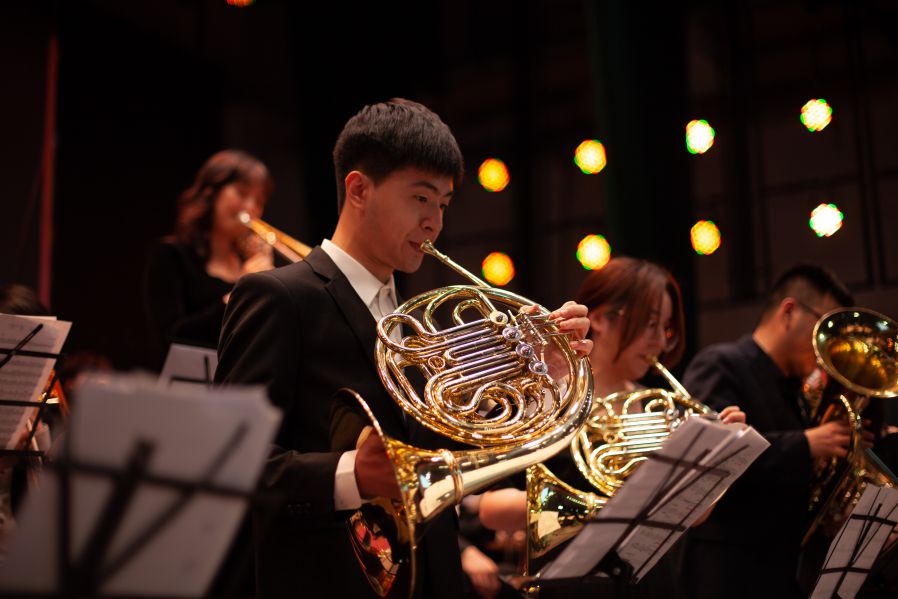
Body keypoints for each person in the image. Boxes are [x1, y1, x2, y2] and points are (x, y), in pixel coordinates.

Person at [214, 99, 592, 599]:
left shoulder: (412, 322)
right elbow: (228, 463)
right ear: (359, 189)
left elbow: (446, 453)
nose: (435, 222)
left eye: (444, 204)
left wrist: (537, 373)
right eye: (420, 198)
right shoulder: (279, 296)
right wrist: (351, 474)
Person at [478, 257, 744, 597]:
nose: (659, 342)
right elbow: (489, 509)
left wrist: (717, 455)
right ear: (602, 318)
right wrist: (602, 505)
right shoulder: (549, 399)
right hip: (571, 587)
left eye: (666, 329)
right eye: (649, 325)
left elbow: (695, 516)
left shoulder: (662, 408)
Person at [679, 264, 855, 599]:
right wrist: (807, 443)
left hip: (779, 572)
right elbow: (709, 459)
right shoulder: (720, 363)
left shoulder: (795, 391)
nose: (828, 346)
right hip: (725, 574)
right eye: (823, 328)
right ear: (789, 312)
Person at [143, 149, 275, 368]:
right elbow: (170, 338)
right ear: (211, 192)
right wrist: (240, 295)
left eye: (259, 202)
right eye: (242, 193)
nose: (251, 208)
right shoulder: (170, 255)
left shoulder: (249, 263)